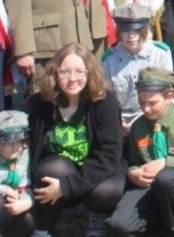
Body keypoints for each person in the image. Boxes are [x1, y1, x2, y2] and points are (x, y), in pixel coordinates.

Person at [25, 43, 125, 236]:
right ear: (55, 73)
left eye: (80, 71)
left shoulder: (106, 103)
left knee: (107, 191)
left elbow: (109, 156)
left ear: (89, 73)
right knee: (51, 169)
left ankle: (97, 222)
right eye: (64, 72)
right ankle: (44, 227)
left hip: (96, 172)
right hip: (60, 171)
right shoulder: (39, 103)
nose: (72, 79)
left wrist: (67, 187)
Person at [108, 67, 174, 237]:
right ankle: (157, 227)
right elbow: (133, 161)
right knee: (120, 225)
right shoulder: (138, 127)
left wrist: (166, 162)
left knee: (166, 178)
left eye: (152, 103)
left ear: (169, 97)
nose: (146, 109)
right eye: (142, 103)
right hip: (148, 186)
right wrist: (133, 173)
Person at [102, 3, 173, 132]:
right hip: (122, 118)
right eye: (125, 30)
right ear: (118, 31)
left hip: (155, 114)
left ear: (145, 30)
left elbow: (166, 95)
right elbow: (108, 101)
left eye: (136, 30)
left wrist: (140, 123)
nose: (131, 36)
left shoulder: (161, 53)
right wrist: (119, 122)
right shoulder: (109, 60)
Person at [0, 110, 35, 237]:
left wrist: (27, 201)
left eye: (20, 141)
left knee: (28, 220)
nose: (17, 147)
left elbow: (25, 185)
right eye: (10, 142)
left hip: (13, 201)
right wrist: (4, 189)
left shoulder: (23, 155)